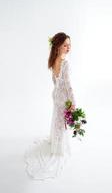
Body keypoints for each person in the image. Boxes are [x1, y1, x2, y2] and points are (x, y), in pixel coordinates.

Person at [24, 32, 76, 181]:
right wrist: (73, 102)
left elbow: (56, 82)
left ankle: (56, 143)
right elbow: (68, 86)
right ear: (58, 46)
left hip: (56, 97)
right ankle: (59, 148)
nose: (68, 48)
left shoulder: (53, 61)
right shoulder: (65, 63)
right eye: (65, 45)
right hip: (63, 97)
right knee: (61, 122)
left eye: (69, 45)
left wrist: (57, 94)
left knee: (58, 120)